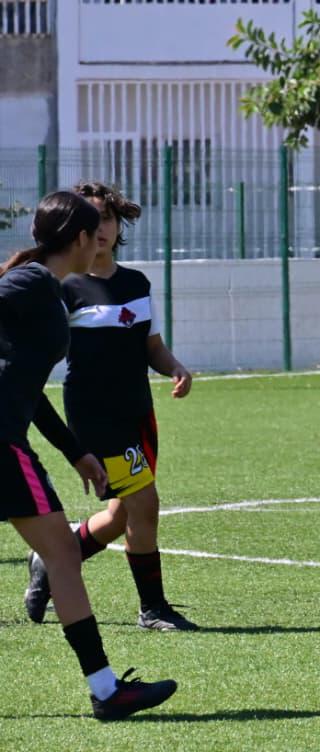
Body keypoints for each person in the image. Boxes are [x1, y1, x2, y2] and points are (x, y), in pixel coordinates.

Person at [1, 191, 177, 719]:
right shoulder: (30, 283)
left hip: (14, 436)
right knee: (62, 557)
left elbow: (26, 390)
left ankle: (106, 690)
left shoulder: (43, 288)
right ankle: (105, 691)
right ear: (79, 239)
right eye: (94, 228)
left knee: (60, 555)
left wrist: (75, 453)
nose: (102, 235)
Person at [23, 182, 196, 631]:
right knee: (144, 503)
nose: (98, 227)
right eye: (90, 218)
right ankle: (152, 609)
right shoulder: (65, 287)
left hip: (137, 411)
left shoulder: (136, 282)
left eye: (105, 217)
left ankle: (50, 561)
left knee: (122, 514)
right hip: (94, 414)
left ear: (118, 226)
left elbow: (151, 345)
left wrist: (174, 366)